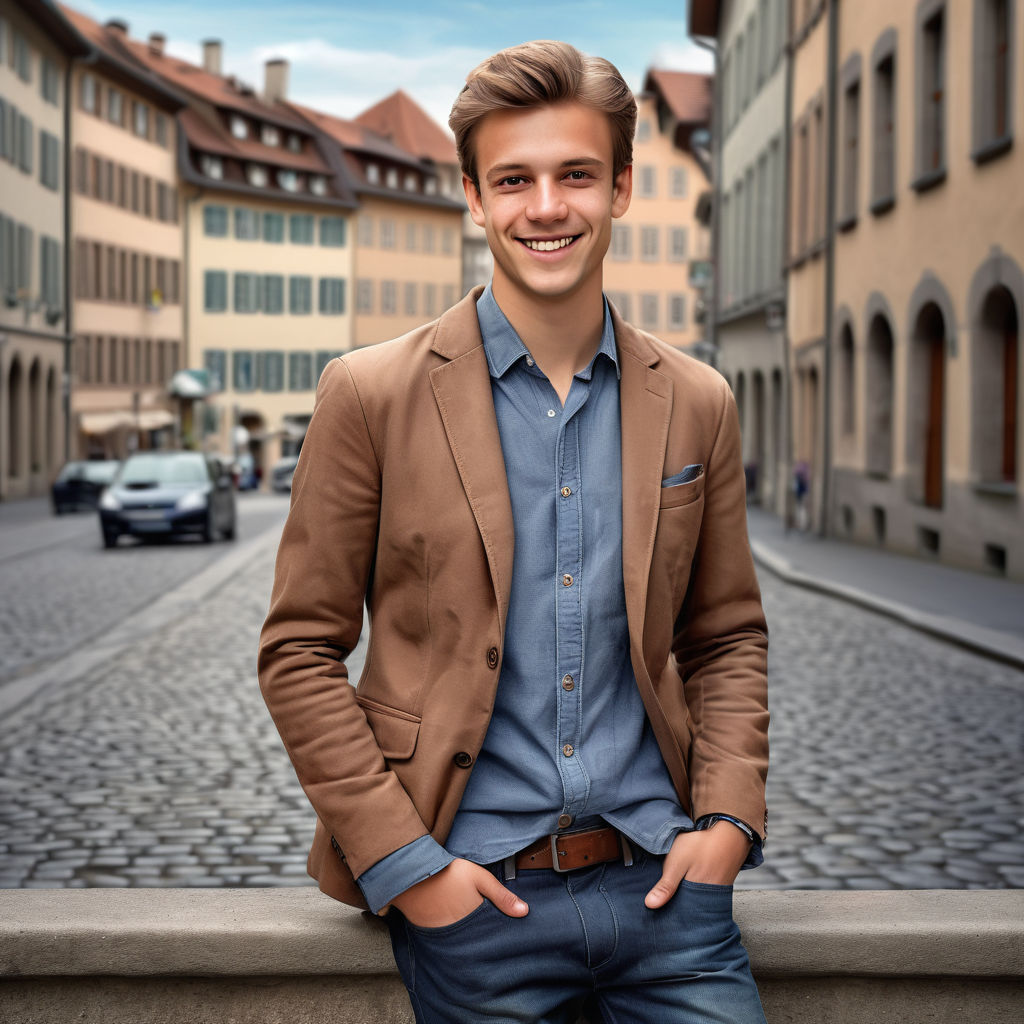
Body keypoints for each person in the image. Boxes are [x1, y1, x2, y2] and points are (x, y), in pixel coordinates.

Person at [258, 39, 769, 1024]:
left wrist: (728, 823)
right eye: (513, 179)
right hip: (474, 894)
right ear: (472, 196)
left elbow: (727, 637)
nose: (545, 206)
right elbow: (298, 651)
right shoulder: (368, 394)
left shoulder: (698, 399)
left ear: (620, 187)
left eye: (575, 173)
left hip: (667, 891)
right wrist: (411, 871)